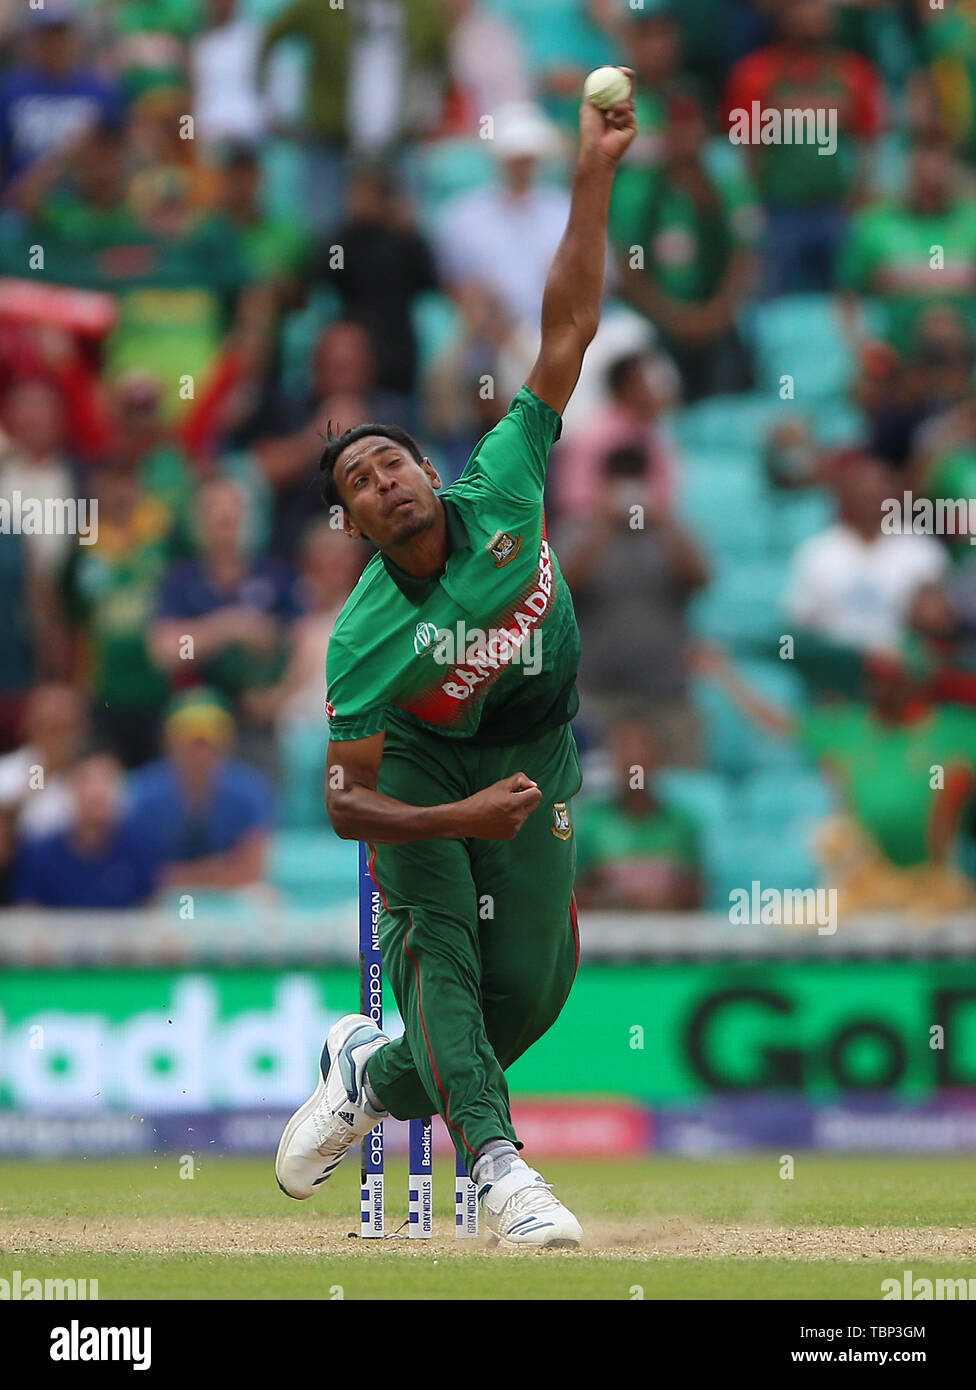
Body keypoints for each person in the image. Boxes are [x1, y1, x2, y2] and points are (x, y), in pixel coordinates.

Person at [274, 71, 639, 1250]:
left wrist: (593, 173)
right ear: (358, 526)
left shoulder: (510, 481)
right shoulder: (368, 634)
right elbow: (342, 805)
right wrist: (453, 818)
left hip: (537, 756)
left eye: (389, 462)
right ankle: (503, 1176)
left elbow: (570, 328)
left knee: (522, 998)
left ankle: (368, 1074)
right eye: (356, 485)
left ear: (429, 470)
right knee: (445, 969)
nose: (380, 480)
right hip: (430, 781)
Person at [126, 688, 274, 892]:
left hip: (231, 895)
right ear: (170, 743)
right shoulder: (144, 793)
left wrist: (183, 876)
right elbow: (137, 870)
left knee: (265, 898)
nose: (200, 756)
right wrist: (215, 870)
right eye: (192, 745)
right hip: (161, 897)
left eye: (208, 745)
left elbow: (253, 869)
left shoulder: (249, 790)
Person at [575, 718, 702, 911]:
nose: (635, 756)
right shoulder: (590, 821)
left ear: (661, 757)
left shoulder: (682, 823)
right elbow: (574, 893)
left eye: (645, 745)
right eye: (624, 746)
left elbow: (695, 894)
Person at [11, 751, 160, 909]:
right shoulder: (40, 854)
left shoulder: (140, 849)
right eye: (86, 781)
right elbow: (26, 914)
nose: (97, 791)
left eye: (106, 781)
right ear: (69, 788)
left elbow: (151, 908)